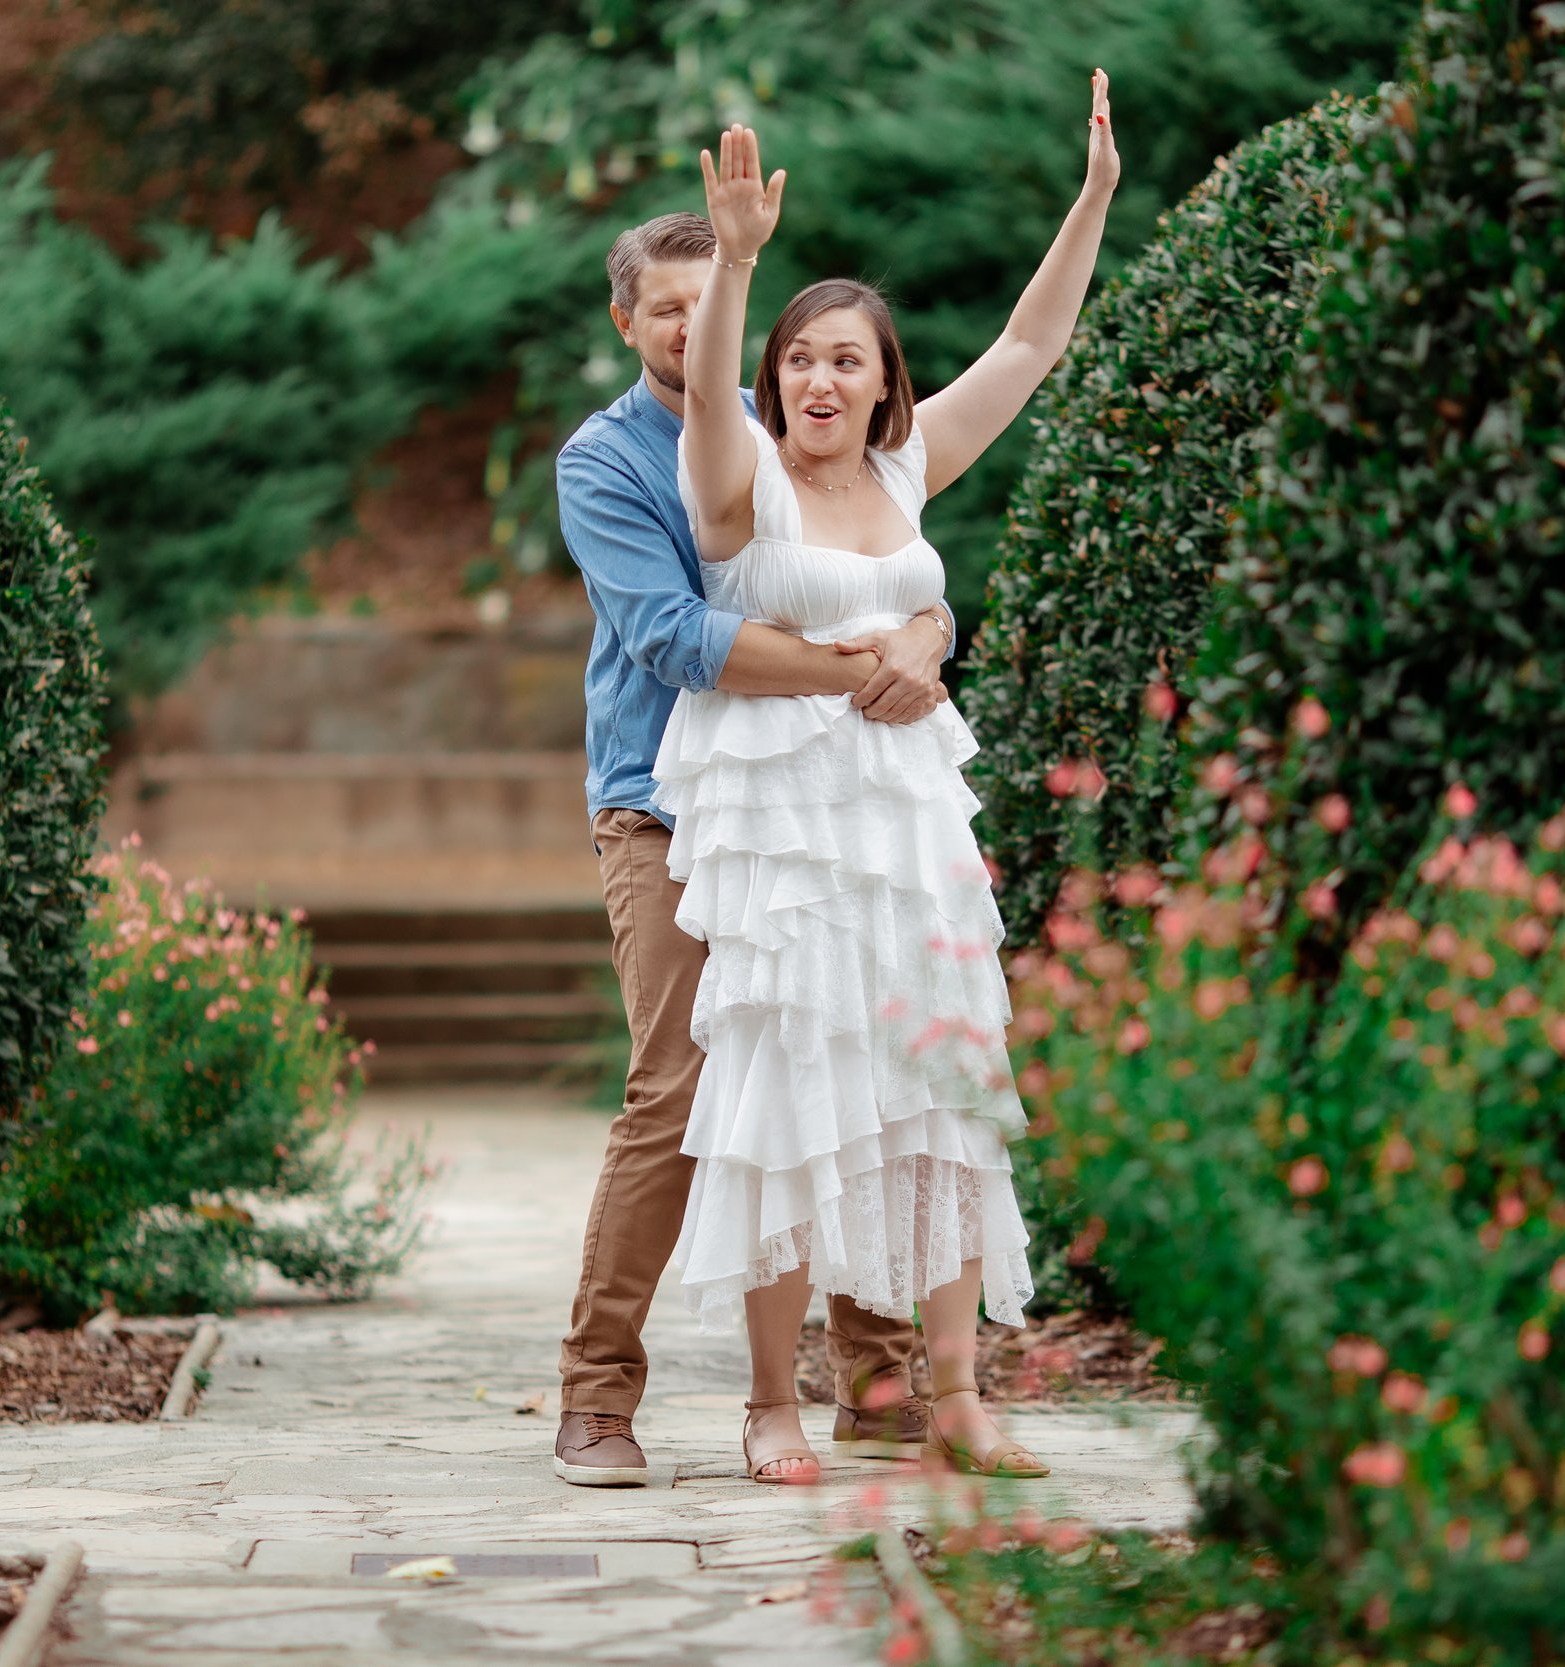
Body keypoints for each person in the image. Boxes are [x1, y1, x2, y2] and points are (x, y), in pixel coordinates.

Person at [661, 72, 1120, 1483]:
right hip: (790, 843)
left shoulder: (910, 473)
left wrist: (1095, 197)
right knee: (787, 1096)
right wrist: (737, 263)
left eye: (847, 361)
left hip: (911, 826)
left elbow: (1032, 342)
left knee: (942, 1087)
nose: (820, 380)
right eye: (801, 359)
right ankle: (773, 1405)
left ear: (883, 382)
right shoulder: (741, 482)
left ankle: (958, 1394)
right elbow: (711, 398)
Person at [552, 211, 962, 1487]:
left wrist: (929, 632)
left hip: (819, 815)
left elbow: (885, 563)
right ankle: (596, 1395)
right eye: (664, 307)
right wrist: (872, 667)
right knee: (679, 1089)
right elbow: (676, 639)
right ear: (626, 321)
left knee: (856, 1063)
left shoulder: (788, 416)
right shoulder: (606, 460)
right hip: (661, 806)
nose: (691, 327)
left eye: (708, 300)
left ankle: (875, 1377)